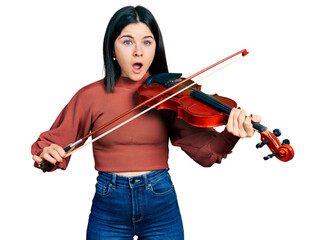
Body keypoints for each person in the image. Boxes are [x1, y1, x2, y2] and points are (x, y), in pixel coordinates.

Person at [31, 5, 260, 240]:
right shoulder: (89, 96)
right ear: (112, 48)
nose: (138, 51)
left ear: (155, 49)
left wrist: (231, 135)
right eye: (128, 42)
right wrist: (48, 154)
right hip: (108, 207)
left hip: (161, 202)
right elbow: (54, 144)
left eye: (147, 42)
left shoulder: (170, 96)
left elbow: (205, 153)